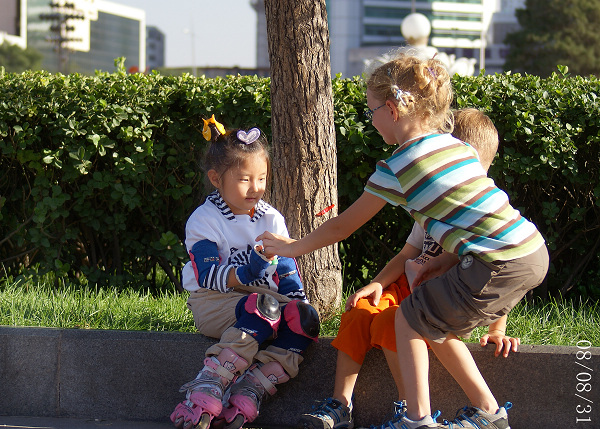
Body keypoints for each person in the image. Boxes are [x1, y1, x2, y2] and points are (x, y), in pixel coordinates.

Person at [257, 54, 549, 429]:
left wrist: (290, 247)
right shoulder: (456, 148)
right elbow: (473, 214)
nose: (372, 119)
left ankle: (418, 420)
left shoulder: (399, 166)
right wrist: (445, 261)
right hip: (529, 250)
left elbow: (341, 227)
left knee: (411, 317)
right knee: (432, 319)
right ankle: (487, 413)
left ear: (392, 109)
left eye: (371, 111)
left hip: (498, 261)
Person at [296, 108, 519, 429]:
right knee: (360, 310)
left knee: (392, 319)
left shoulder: (483, 205)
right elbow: (408, 254)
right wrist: (376, 284)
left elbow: (498, 268)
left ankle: (409, 411)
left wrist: (497, 330)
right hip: (411, 288)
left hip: (444, 302)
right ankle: (340, 405)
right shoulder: (433, 202)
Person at [170, 115, 320, 429]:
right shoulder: (204, 220)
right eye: (244, 179)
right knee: (265, 307)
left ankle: (253, 387)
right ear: (215, 178)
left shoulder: (271, 218)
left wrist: (299, 307)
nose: (255, 188)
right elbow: (209, 275)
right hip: (214, 301)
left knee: (304, 320)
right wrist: (252, 269)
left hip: (263, 302)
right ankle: (209, 384)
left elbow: (287, 269)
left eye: (261, 178)